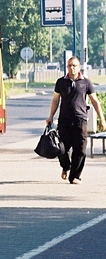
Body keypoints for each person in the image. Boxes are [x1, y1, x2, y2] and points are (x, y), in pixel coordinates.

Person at [45, 56, 105, 184]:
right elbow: (55, 100)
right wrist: (50, 116)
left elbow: (95, 101)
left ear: (79, 67)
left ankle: (75, 176)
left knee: (80, 149)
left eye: (74, 65)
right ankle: (66, 166)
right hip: (64, 120)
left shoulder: (86, 83)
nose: (71, 68)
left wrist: (102, 119)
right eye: (69, 65)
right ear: (67, 67)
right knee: (61, 148)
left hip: (80, 120)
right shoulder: (61, 82)